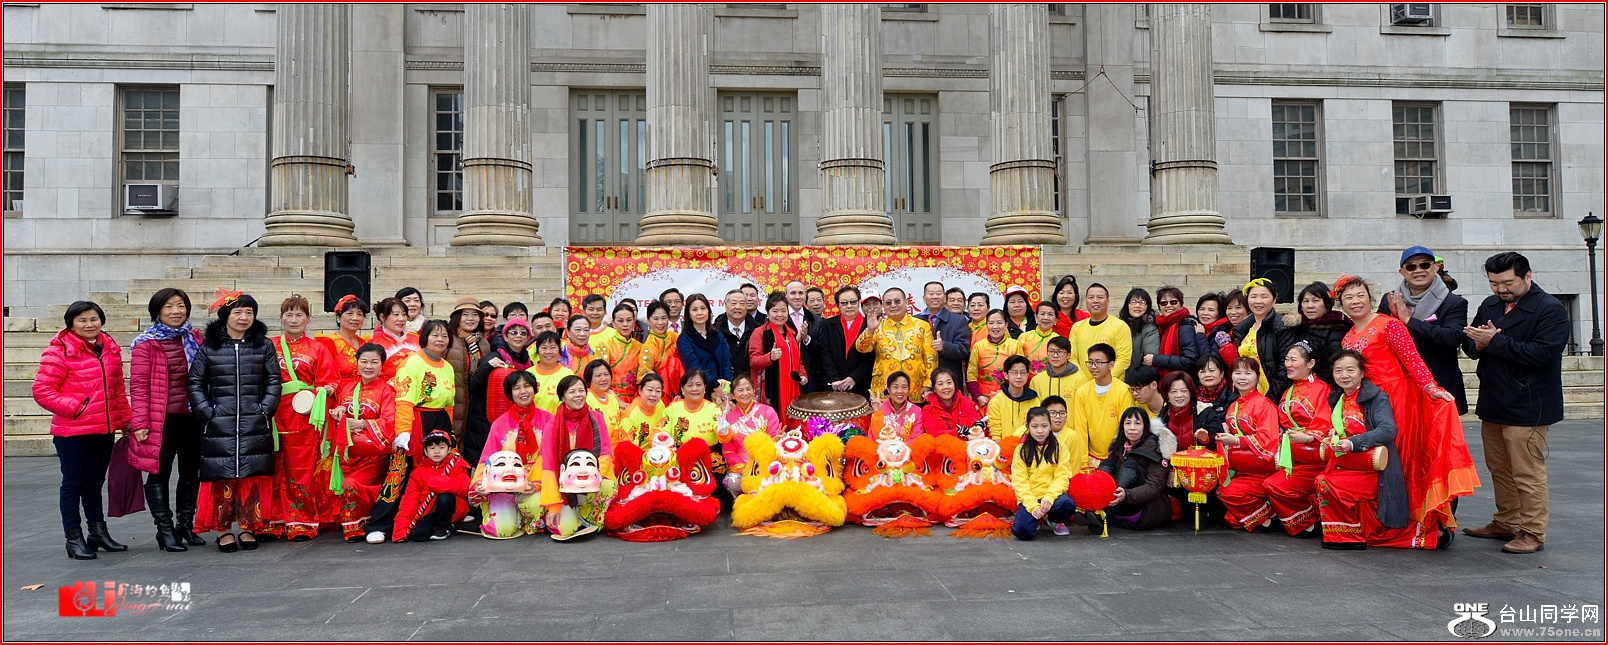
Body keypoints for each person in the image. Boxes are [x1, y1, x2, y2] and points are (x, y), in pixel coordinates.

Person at [1337, 275, 1477, 544]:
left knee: (1404, 457)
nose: (1355, 302)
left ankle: (1424, 524)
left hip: (1399, 399)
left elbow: (1412, 359)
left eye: (1360, 295)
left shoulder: (1389, 325)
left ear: (1369, 298)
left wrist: (1430, 387)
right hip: (1370, 402)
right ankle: (1388, 519)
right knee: (1380, 460)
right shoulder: (1347, 338)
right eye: (1349, 298)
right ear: (1341, 305)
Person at [1461, 252, 1567, 555]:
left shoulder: (1550, 309)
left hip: (1529, 402)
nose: (1501, 289)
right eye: (1494, 283)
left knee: (1526, 471)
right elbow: (1471, 342)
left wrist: (1494, 341)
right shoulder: (1490, 304)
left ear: (1527, 276)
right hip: (1494, 399)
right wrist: (1476, 343)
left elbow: (1543, 354)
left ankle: (1532, 531)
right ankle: (1506, 521)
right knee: (1498, 466)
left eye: (1507, 283)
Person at [35, 300, 134, 559]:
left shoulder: (109, 348)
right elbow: (42, 390)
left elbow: (117, 389)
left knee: (94, 483)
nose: (89, 324)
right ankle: (73, 538)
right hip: (72, 432)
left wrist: (126, 420)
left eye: (94, 319)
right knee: (73, 484)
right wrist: (76, 408)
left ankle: (97, 532)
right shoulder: (59, 351)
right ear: (71, 324)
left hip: (103, 430)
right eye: (82, 320)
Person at [186, 292, 281, 552]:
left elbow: (273, 380)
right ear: (225, 316)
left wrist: (265, 410)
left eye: (249, 312)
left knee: (251, 474)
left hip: (254, 421)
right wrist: (207, 413)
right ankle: (224, 530)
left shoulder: (263, 345)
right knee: (222, 476)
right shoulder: (210, 347)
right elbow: (195, 382)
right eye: (238, 312)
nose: (244, 317)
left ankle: (249, 527)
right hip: (220, 423)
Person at [128, 288, 207, 552]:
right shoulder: (146, 343)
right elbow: (139, 386)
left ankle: (185, 525)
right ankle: (164, 529)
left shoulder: (195, 338)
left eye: (180, 306)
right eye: (169, 307)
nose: (176, 311)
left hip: (192, 417)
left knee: (191, 473)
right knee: (159, 473)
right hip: (161, 420)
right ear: (157, 311)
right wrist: (140, 423)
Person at [1314, 350, 1415, 550]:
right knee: (1322, 480)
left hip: (1373, 470)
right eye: (1338, 371)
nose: (1344, 375)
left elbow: (1388, 430)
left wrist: (1353, 442)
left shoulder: (1376, 398)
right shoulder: (1336, 399)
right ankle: (1342, 533)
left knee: (1325, 482)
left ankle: (1348, 536)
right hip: (1347, 464)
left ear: (1362, 373)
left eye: (1350, 370)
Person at [367, 319, 456, 544]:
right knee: (400, 472)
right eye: (435, 335)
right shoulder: (412, 362)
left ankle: (430, 518)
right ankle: (379, 525)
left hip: (440, 422)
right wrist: (403, 431)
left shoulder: (447, 367)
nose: (440, 339)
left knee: (436, 474)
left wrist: (450, 434)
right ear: (424, 338)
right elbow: (404, 400)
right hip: (415, 421)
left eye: (444, 336)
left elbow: (449, 404)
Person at [265, 294, 340, 542]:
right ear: (280, 318)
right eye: (289, 314)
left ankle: (301, 521)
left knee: (301, 470)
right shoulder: (268, 345)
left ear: (308, 319)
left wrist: (322, 391)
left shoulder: (318, 349)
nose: (294, 319)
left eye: (299, 315)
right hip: (273, 414)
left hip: (305, 417)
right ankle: (272, 520)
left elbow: (331, 380)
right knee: (273, 467)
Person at [1381, 246, 1470, 416]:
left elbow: (1451, 338)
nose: (1418, 270)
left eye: (1425, 265)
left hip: (1439, 383)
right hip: (1400, 384)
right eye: (1411, 267)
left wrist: (1409, 321)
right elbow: (1380, 335)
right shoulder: (1390, 299)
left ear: (1435, 267)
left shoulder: (1454, 302)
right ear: (1402, 272)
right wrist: (1393, 319)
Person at [325, 343, 397, 542]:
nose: (368, 366)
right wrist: (337, 411)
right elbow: (336, 411)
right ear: (356, 363)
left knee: (351, 485)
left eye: (374, 362)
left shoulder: (386, 391)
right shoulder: (347, 387)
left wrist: (362, 423)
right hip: (347, 456)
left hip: (372, 459)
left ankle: (357, 527)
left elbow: (390, 421)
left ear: (382, 365)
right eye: (364, 361)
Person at [1263, 343, 1334, 538]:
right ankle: (1309, 518)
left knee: (1275, 485)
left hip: (1314, 456)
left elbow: (1325, 421)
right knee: (1270, 484)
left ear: (1310, 363)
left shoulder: (1322, 389)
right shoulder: (1289, 391)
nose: (1288, 364)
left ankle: (1312, 517)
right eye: (1286, 359)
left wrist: (1310, 436)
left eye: (1293, 360)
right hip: (1294, 455)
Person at [471, 370, 548, 539]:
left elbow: (549, 457)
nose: (523, 391)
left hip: (535, 486)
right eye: (517, 388)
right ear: (510, 393)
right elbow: (487, 457)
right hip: (504, 487)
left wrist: (536, 484)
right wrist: (478, 483)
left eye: (527, 386)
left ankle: (523, 517)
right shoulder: (500, 423)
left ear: (535, 389)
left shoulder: (548, 420)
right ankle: (510, 515)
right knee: (502, 530)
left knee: (536, 505)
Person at [538, 375, 616, 531]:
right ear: (562, 397)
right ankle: (573, 515)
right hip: (563, 486)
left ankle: (586, 516)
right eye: (572, 391)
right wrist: (553, 505)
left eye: (581, 390)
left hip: (593, 483)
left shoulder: (597, 418)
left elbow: (605, 452)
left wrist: (592, 478)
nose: (578, 395)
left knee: (609, 486)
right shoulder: (552, 425)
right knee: (566, 529)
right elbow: (549, 466)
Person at [1213, 358, 1282, 532]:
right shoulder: (1233, 406)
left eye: (1248, 373)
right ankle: (1269, 512)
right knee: (1231, 517)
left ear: (1257, 377)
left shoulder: (1265, 404)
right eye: (1237, 373)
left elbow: (1267, 440)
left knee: (1227, 495)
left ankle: (1269, 516)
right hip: (1243, 469)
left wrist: (1237, 441)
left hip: (1263, 470)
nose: (1242, 377)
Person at [465, 318, 537, 467]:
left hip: (513, 417)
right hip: (485, 417)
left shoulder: (528, 361)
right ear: (505, 336)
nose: (518, 336)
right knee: (489, 461)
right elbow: (474, 386)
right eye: (513, 332)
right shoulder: (494, 357)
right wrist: (487, 367)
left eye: (523, 333)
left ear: (528, 338)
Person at [855, 288, 939, 402]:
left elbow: (931, 357)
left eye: (897, 301)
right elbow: (861, 348)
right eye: (888, 303)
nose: (893, 305)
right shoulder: (877, 325)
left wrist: (928, 384)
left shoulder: (922, 326)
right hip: (884, 387)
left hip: (916, 387)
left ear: (906, 302)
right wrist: (870, 330)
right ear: (883, 306)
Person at [1095, 407, 1172, 531]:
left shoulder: (1156, 449)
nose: (1132, 428)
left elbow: (1154, 487)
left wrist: (1126, 495)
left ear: (1145, 426)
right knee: (1107, 464)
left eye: (1137, 423)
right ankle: (1099, 509)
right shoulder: (1119, 448)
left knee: (1130, 466)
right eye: (1128, 423)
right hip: (1120, 504)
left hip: (1145, 507)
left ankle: (1106, 513)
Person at [392, 429, 470, 543]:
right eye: (432, 448)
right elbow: (409, 501)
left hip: (452, 509)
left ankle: (444, 527)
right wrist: (400, 529)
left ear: (449, 450)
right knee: (419, 535)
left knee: (445, 497)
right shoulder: (418, 473)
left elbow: (466, 487)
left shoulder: (456, 465)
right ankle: (438, 526)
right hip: (428, 510)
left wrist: (440, 483)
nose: (437, 451)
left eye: (442, 447)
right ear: (426, 451)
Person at [1010, 407, 1077, 540]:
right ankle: (1037, 519)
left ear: (1050, 426)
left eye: (1044, 426)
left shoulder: (1060, 447)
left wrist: (1049, 497)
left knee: (1067, 504)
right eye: (1035, 426)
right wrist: (1033, 506)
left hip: (1052, 497)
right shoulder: (1021, 450)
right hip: (1031, 497)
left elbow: (1062, 476)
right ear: (1027, 427)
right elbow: (1019, 481)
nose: (1040, 431)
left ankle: (1054, 519)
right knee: (1022, 532)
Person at [1069, 343, 1135, 467]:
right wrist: (1083, 462)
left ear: (1111, 365)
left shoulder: (1123, 391)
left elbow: (1126, 428)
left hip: (1118, 456)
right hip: (1092, 457)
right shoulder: (1082, 392)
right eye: (1090, 362)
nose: (1093, 367)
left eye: (1098, 362)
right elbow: (1081, 429)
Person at [718, 373, 781, 496]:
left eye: (748, 389)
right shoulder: (728, 419)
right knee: (731, 481)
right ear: (733, 395)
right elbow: (728, 450)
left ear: (753, 390)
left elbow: (773, 438)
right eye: (740, 390)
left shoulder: (768, 411)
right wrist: (745, 469)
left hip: (766, 463)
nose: (745, 393)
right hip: (742, 467)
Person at [1231, 279, 1294, 397]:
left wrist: (1271, 396)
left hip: (1272, 393)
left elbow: (1285, 365)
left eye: (1264, 296)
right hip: (1248, 391)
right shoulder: (1243, 329)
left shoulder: (1281, 326)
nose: (1258, 301)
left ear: (1274, 300)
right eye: (1253, 296)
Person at [750, 292, 809, 415]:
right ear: (767, 313)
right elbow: (754, 362)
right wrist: (770, 357)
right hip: (771, 389)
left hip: (792, 387)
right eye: (775, 311)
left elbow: (797, 361)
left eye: (783, 311)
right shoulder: (760, 332)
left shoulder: (792, 333)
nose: (780, 315)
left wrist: (803, 375)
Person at [812, 286, 875, 401]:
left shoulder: (870, 325)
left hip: (862, 384)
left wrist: (854, 378)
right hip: (835, 385)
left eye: (853, 302)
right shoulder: (828, 325)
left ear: (859, 302)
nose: (849, 306)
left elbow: (871, 357)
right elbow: (824, 353)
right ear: (838, 305)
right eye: (844, 303)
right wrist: (834, 379)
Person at [1068, 283, 1132, 390]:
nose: (1095, 301)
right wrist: (1083, 381)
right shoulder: (1077, 327)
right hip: (1083, 387)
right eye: (1091, 297)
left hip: (1111, 387)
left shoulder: (1120, 326)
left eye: (1100, 297)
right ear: (1086, 301)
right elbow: (1072, 357)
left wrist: (1103, 380)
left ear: (1108, 301)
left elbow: (1123, 359)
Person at [1290, 282, 1349, 387]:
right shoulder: (1297, 328)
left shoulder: (1337, 328)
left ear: (1327, 303)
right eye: (1305, 301)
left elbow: (1337, 364)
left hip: (1326, 388)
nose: (1310, 306)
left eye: (1316, 301)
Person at [445, 297, 485, 443]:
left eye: (475, 315)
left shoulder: (483, 342)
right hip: (453, 402)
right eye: (465, 314)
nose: (470, 319)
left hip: (475, 404)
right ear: (457, 317)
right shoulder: (448, 339)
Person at [1121, 365, 1179, 459]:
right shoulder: (1136, 409)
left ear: (1154, 385)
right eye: (1132, 390)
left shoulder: (1172, 407)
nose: (1135, 393)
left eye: (1138, 389)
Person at [967, 309, 1023, 406]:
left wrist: (1007, 390)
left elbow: (1020, 372)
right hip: (983, 399)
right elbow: (971, 375)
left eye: (999, 323)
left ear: (1006, 325)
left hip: (1008, 396)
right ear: (986, 325)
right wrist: (978, 396)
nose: (995, 326)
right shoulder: (978, 346)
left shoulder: (1015, 345)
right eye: (991, 323)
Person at [919, 282, 972, 383]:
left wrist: (944, 347)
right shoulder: (915, 320)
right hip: (920, 379)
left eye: (938, 293)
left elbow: (963, 350)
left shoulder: (958, 320)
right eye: (931, 294)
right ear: (924, 298)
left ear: (944, 298)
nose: (935, 297)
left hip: (948, 381)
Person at [591, 303, 645, 403]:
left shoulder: (640, 347)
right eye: (620, 321)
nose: (625, 324)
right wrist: (617, 401)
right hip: (610, 398)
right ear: (613, 323)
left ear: (634, 322)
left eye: (629, 320)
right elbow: (598, 377)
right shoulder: (605, 346)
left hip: (636, 400)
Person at [659, 370, 723, 451]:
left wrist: (724, 433)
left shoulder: (713, 409)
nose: (694, 389)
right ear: (682, 390)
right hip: (679, 453)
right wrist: (660, 439)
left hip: (708, 454)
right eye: (690, 385)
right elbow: (661, 431)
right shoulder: (672, 408)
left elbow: (723, 435)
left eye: (699, 385)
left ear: (704, 388)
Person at [678, 294, 733, 386]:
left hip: (722, 386)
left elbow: (726, 363)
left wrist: (729, 385)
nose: (700, 313)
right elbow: (694, 366)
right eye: (695, 310)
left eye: (703, 308)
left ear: (708, 311)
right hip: (701, 386)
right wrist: (714, 385)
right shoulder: (684, 338)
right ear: (689, 314)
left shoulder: (717, 333)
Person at [1148, 287, 1201, 378]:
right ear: (1159, 307)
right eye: (1164, 303)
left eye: (1173, 302)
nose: (1168, 305)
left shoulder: (1186, 326)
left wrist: (1156, 359)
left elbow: (1189, 361)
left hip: (1182, 380)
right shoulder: (1159, 326)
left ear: (1181, 304)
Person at [319, 295, 369, 385]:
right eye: (350, 313)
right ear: (338, 318)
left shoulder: (365, 344)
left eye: (359, 314)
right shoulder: (329, 343)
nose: (355, 318)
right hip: (339, 391)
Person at [989, 355, 1042, 439]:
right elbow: (995, 433)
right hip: (1004, 445)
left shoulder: (1034, 400)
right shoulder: (996, 401)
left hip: (1028, 445)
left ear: (1027, 375)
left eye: (1023, 373)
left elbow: (1036, 427)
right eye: (1014, 372)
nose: (1019, 376)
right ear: (1006, 375)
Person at [639, 301, 684, 399]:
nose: (660, 323)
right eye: (656, 319)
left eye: (664, 318)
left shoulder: (677, 338)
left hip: (681, 390)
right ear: (648, 320)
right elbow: (644, 374)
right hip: (661, 393)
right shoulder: (648, 346)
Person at [370, 297, 419, 384]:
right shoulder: (374, 344)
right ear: (382, 317)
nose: (401, 319)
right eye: (396, 314)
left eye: (404, 314)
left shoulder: (416, 338)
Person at [921, 368, 981, 438]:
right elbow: (934, 433)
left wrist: (979, 426)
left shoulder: (966, 402)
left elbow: (975, 421)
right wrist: (957, 432)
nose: (946, 387)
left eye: (949, 382)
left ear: (954, 384)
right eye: (940, 384)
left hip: (969, 443)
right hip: (944, 444)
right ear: (934, 389)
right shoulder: (928, 410)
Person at [615, 373, 668, 449]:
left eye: (658, 391)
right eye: (650, 390)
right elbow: (630, 451)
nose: (654, 394)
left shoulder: (660, 404)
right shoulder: (630, 417)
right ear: (640, 390)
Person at [1193, 354, 1235, 449]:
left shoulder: (1232, 398)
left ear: (1222, 373)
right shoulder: (1193, 398)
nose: (1207, 375)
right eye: (1202, 371)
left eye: (1212, 370)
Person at [525, 330, 573, 413]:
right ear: (537, 351)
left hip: (558, 420)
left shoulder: (567, 375)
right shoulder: (528, 374)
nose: (548, 352)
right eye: (544, 348)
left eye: (553, 347)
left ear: (559, 350)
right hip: (533, 420)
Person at [869, 371, 924, 441]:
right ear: (888, 389)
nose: (900, 391)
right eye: (895, 387)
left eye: (904, 387)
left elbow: (916, 439)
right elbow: (875, 438)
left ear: (908, 390)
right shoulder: (880, 408)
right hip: (882, 447)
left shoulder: (917, 411)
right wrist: (877, 413)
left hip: (908, 447)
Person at [1119, 288, 1160, 373]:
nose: (1137, 305)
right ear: (1127, 304)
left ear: (1147, 306)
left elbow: (1149, 360)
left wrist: (1132, 377)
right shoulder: (1119, 325)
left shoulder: (1150, 328)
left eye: (1142, 302)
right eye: (1133, 301)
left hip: (1137, 376)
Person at [1028, 336, 1080, 403]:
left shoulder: (1079, 379)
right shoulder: (1036, 381)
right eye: (1051, 351)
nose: (1055, 355)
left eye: (1060, 352)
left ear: (1068, 355)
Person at [720, 288, 757, 378]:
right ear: (726, 306)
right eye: (733, 303)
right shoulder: (716, 331)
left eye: (742, 303)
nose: (738, 307)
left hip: (750, 382)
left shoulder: (757, 330)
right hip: (724, 382)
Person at [582, 359, 626, 428]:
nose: (603, 379)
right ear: (589, 379)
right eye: (598, 375)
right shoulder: (585, 399)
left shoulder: (612, 399)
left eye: (606, 374)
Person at [1019, 301, 1062, 370]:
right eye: (1042, 314)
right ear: (1035, 317)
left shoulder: (1058, 340)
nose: (1046, 318)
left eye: (1050, 314)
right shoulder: (1024, 337)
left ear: (1056, 320)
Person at [1194, 292, 1226, 360]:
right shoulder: (1193, 325)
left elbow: (1210, 360)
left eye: (1211, 310)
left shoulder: (1223, 331)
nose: (1205, 313)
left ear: (1219, 312)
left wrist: (1200, 335)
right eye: (1202, 309)